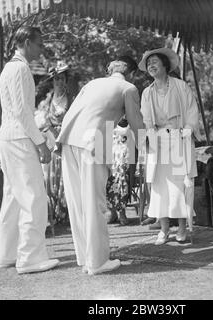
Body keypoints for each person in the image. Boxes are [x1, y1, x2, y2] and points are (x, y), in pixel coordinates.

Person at [56, 56, 144, 275]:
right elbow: (136, 124)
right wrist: (148, 146)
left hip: (68, 140)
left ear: (112, 68)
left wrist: (58, 142)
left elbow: (72, 113)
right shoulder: (129, 88)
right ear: (130, 72)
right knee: (95, 203)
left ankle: (85, 258)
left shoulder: (92, 83)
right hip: (96, 141)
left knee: (77, 203)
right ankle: (98, 262)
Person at [0, 26, 59, 274]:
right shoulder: (20, 68)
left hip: (8, 137)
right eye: (39, 44)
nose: (41, 49)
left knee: (13, 197)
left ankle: (7, 254)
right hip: (20, 138)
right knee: (33, 197)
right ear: (26, 42)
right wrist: (41, 143)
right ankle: (30, 258)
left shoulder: (9, 68)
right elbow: (23, 112)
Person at [139, 48, 203, 245]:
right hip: (158, 141)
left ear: (165, 65)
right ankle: (164, 230)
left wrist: (188, 130)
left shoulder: (181, 86)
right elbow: (146, 119)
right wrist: (148, 138)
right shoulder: (147, 92)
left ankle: (182, 228)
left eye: (155, 61)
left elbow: (192, 111)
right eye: (149, 63)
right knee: (159, 186)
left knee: (179, 186)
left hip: (178, 138)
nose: (151, 65)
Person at [35, 61, 74, 224]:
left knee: (65, 178)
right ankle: (52, 213)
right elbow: (40, 123)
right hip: (50, 141)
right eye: (56, 78)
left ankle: (65, 213)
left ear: (66, 80)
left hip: (65, 140)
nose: (59, 81)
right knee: (49, 178)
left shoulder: (72, 99)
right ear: (53, 81)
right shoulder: (46, 101)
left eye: (62, 78)